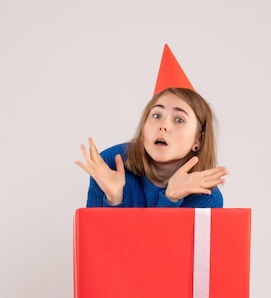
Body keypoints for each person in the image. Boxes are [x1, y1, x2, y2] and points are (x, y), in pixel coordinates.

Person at [75, 45, 228, 208]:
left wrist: (171, 198)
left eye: (179, 119)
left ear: (198, 139)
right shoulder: (109, 164)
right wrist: (114, 198)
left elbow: (162, 235)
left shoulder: (205, 196)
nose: (163, 125)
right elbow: (95, 233)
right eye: (156, 115)